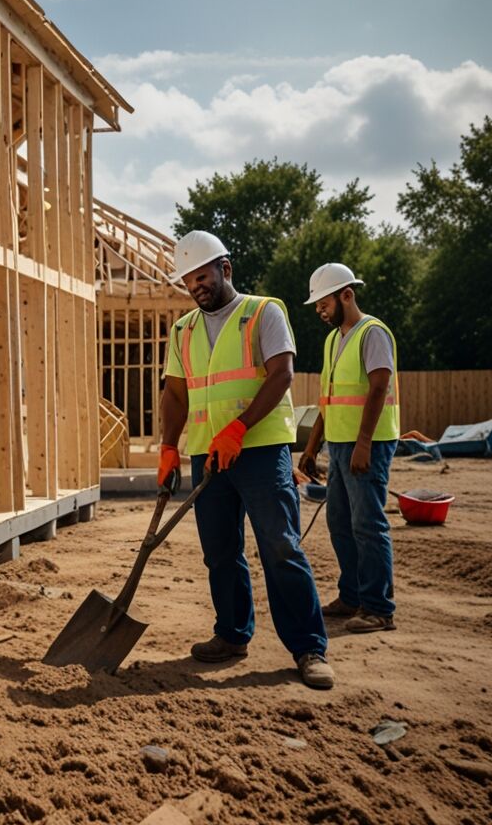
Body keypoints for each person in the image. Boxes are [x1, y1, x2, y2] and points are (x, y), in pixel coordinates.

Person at [158, 231, 333, 690]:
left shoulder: (263, 312)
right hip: (207, 456)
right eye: (188, 280)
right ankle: (232, 634)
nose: (195, 285)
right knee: (219, 552)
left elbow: (282, 375)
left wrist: (239, 428)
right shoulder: (183, 330)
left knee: (281, 546)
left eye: (202, 275)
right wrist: (168, 447)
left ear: (225, 269)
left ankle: (308, 646)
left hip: (260, 451)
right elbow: (175, 393)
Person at [298, 263, 399, 634]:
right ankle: (352, 595)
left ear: (346, 295)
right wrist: (311, 448)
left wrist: (365, 444)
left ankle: (379, 608)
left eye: (323, 303)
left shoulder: (372, 333)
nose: (320, 311)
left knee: (367, 524)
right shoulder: (333, 340)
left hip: (366, 445)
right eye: (317, 306)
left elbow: (378, 388)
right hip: (339, 445)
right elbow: (328, 400)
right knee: (339, 521)